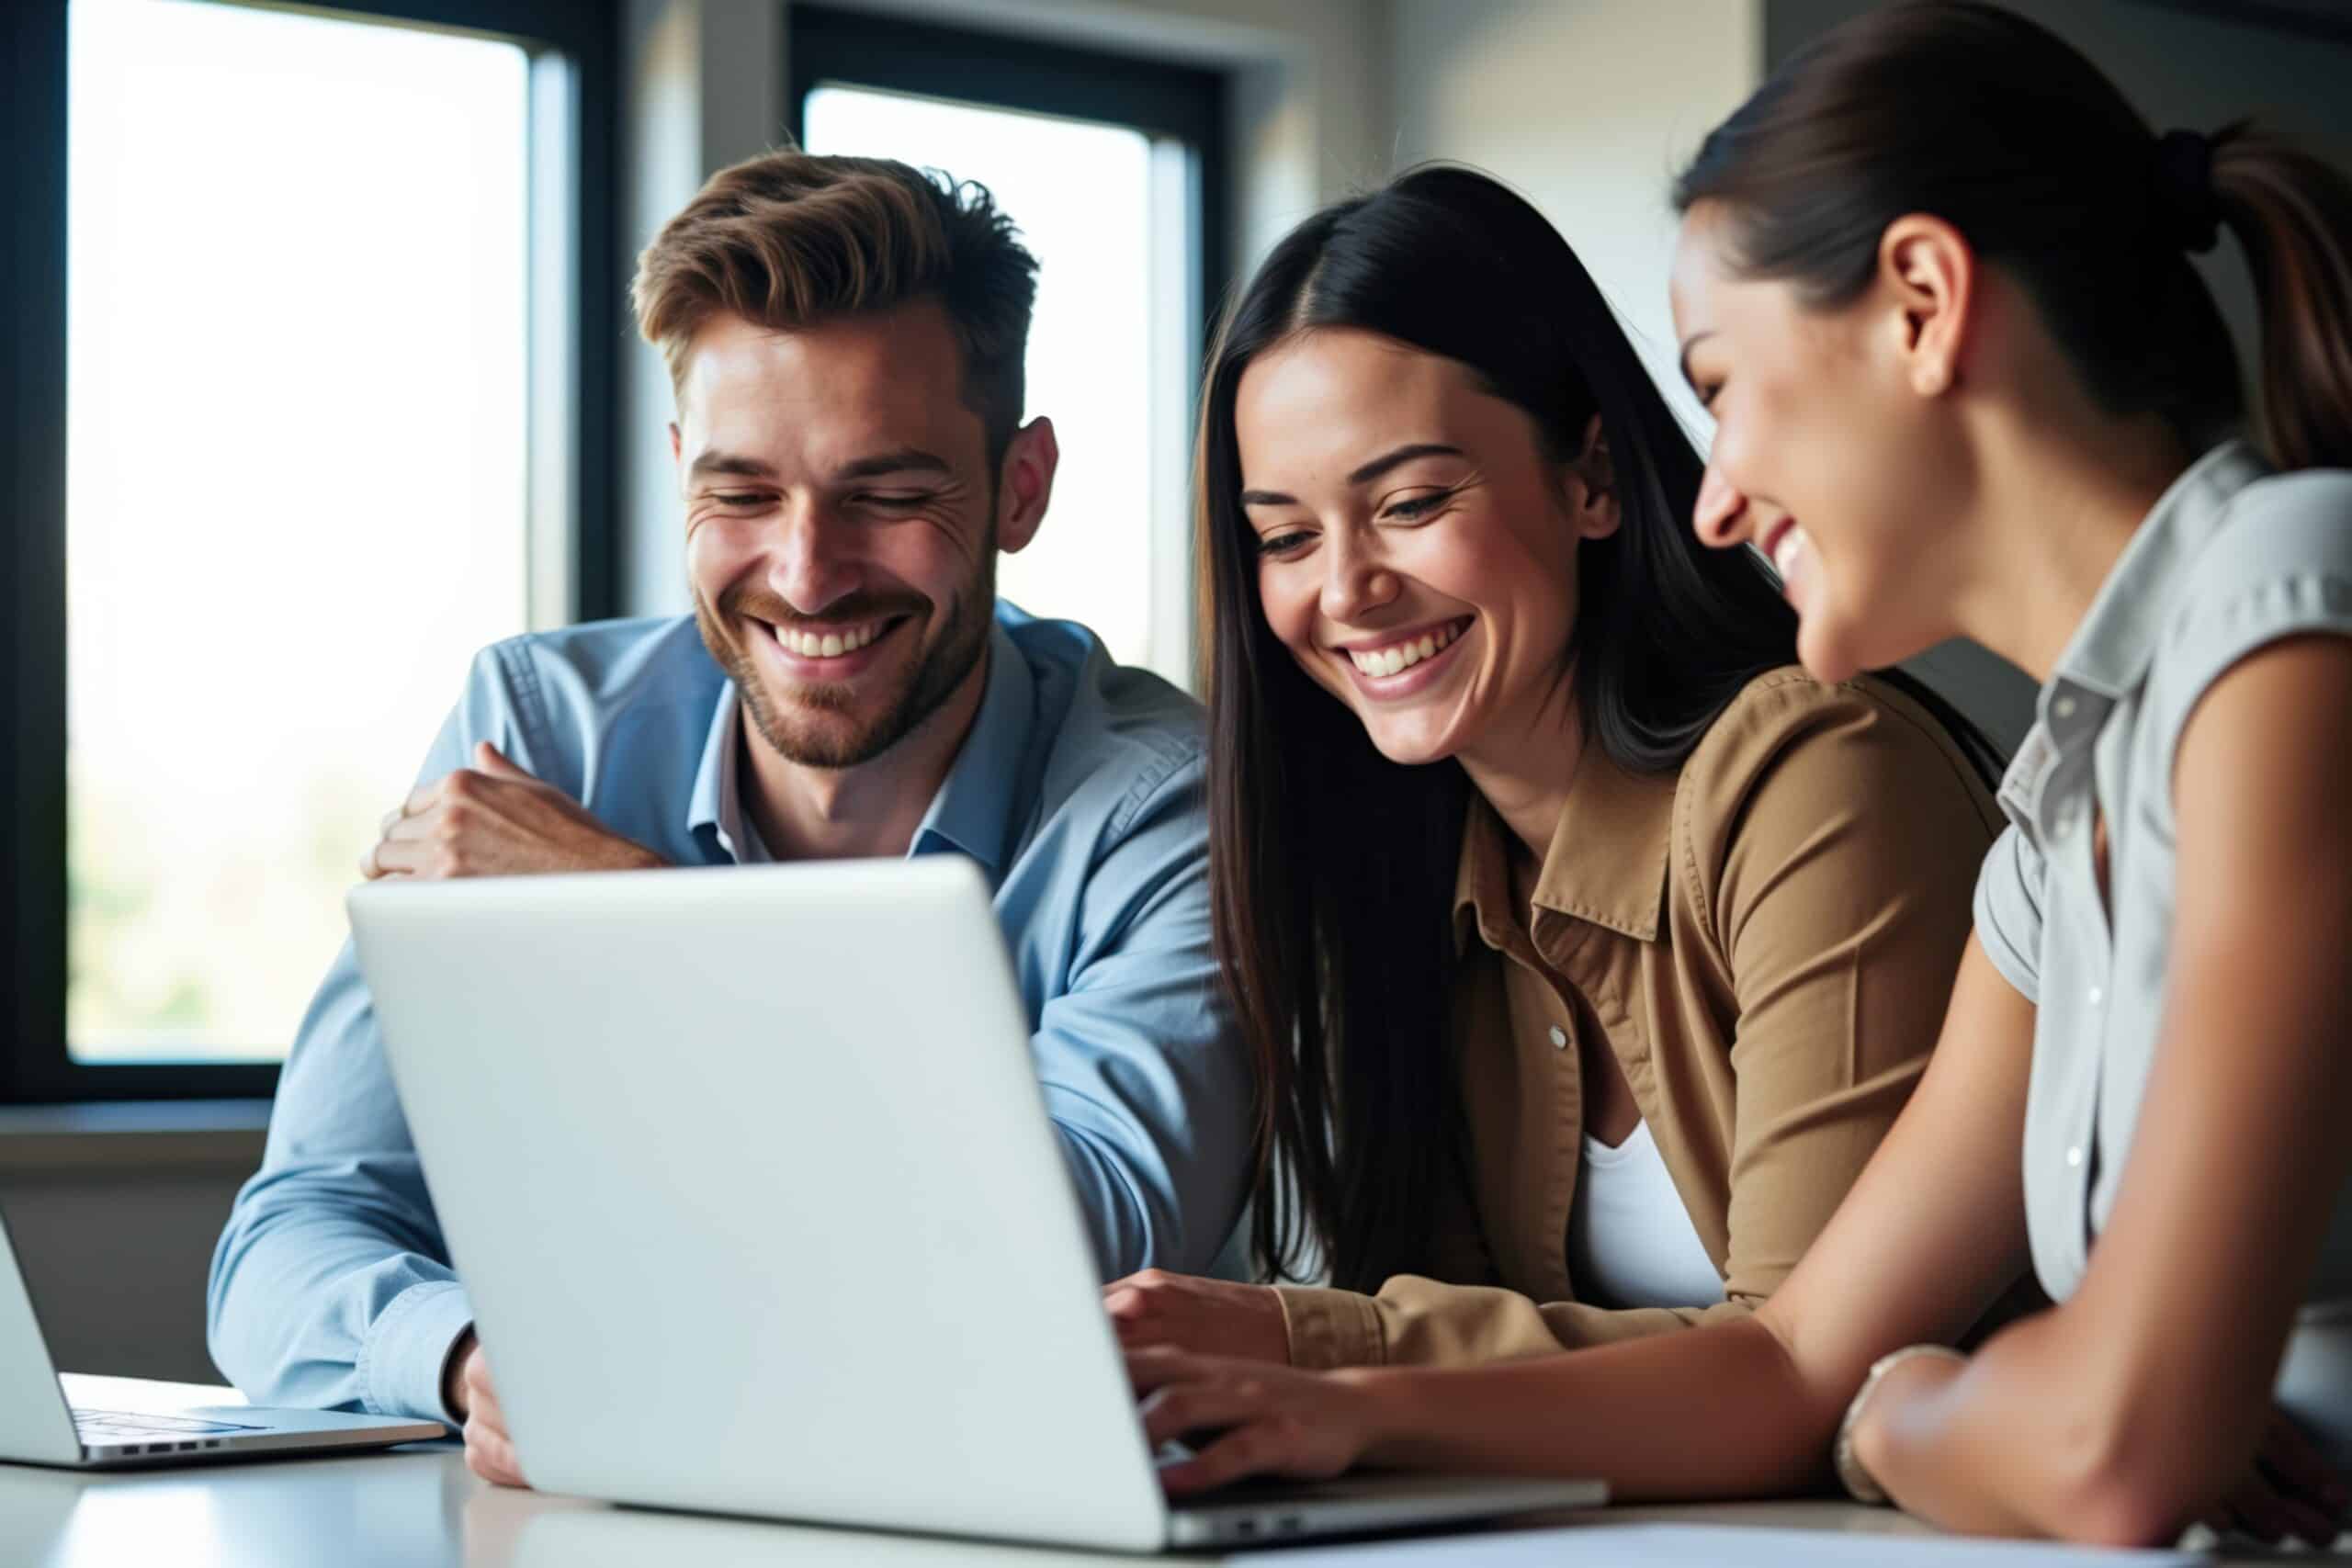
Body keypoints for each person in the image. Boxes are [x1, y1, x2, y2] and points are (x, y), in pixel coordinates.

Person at [1121, 3, 2352, 1549]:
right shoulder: (2064, 802)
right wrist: (1920, 1406)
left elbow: (2088, 1444)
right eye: (1284, 534)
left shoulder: (2279, 598)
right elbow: (1801, 1370)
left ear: (1920, 304)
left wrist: (1905, 1411)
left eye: (1725, 386)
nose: (1711, 497)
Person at [209, 151, 1253, 1488]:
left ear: (1020, 489)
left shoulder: (1165, 800)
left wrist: (630, 920)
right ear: (677, 475)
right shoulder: (540, 732)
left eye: (888, 492)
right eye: (743, 492)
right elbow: (295, 1232)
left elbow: (1076, 1260)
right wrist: (481, 1359)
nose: (808, 573)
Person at [1102, 164, 2005, 1377]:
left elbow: (1809, 1374)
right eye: (1285, 536)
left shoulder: (1813, 777)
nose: (1345, 590)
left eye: (1413, 501)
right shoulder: (1423, 877)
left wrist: (1306, 1350)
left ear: (1591, 478)